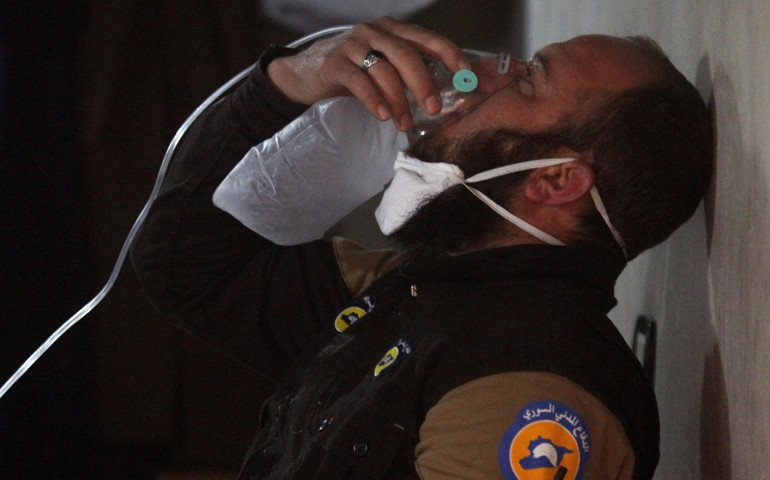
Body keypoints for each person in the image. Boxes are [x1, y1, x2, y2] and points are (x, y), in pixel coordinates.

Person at [131, 17, 712, 480]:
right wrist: (287, 83)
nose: (480, 78)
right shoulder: (418, 289)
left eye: (529, 79)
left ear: (556, 182)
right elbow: (185, 266)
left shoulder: (534, 383)